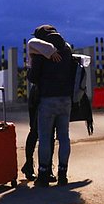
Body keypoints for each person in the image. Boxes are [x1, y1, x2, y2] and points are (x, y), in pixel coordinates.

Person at [28, 25, 75, 187]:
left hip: (47, 99)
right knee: (64, 137)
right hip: (66, 100)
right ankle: (63, 175)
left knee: (45, 139)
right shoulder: (67, 48)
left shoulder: (41, 52)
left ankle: (43, 175)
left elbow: (33, 77)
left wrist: (30, 68)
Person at [21, 28, 61, 182]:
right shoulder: (40, 52)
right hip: (39, 96)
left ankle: (39, 167)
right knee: (39, 132)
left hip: (44, 95)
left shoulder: (54, 52)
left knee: (41, 133)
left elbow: (32, 77)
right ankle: (34, 166)